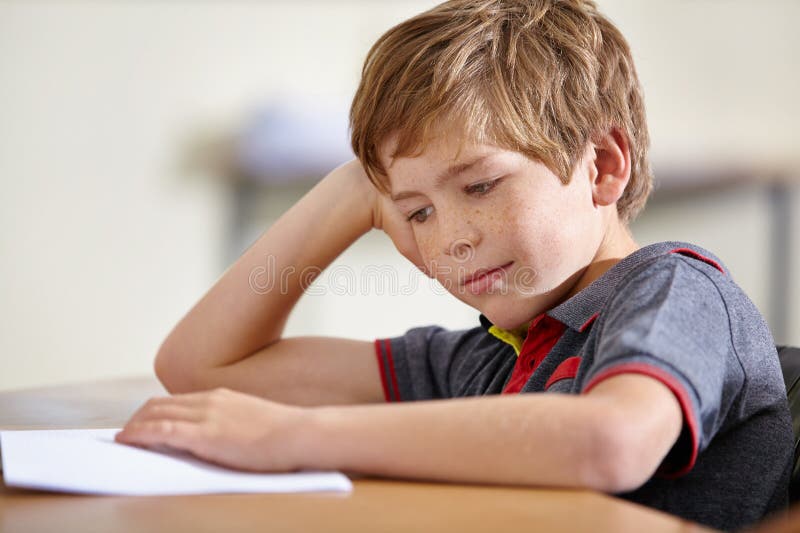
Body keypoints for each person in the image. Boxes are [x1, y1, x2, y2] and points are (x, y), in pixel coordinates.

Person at [114, 1, 793, 530]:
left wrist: (298, 437)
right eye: (416, 213)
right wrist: (354, 191)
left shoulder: (676, 288)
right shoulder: (487, 363)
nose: (451, 241)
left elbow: (610, 440)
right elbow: (200, 366)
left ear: (602, 165)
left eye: (478, 186)